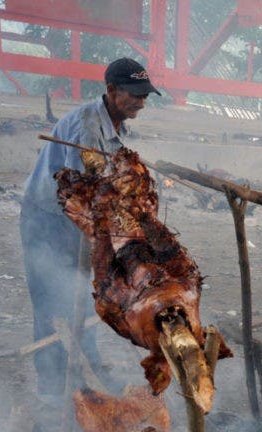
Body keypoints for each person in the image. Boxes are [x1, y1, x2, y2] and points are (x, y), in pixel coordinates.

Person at [20, 57, 161, 401]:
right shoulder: (87, 126)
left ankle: (86, 370)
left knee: (83, 294)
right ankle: (52, 389)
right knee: (53, 301)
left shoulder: (115, 127)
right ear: (111, 90)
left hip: (73, 217)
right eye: (134, 95)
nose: (142, 102)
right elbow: (80, 195)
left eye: (146, 95)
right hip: (49, 220)